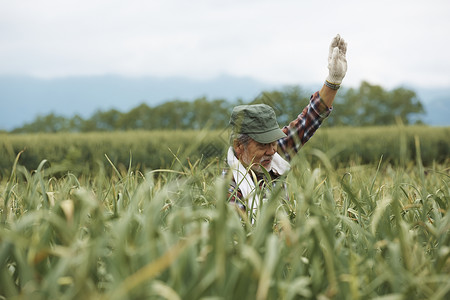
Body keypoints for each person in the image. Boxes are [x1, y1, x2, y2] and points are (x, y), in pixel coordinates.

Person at [225, 34, 347, 217]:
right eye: (262, 145)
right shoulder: (230, 189)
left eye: (274, 142)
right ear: (239, 146)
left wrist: (333, 81)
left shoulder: (275, 155)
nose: (271, 151)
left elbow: (309, 120)